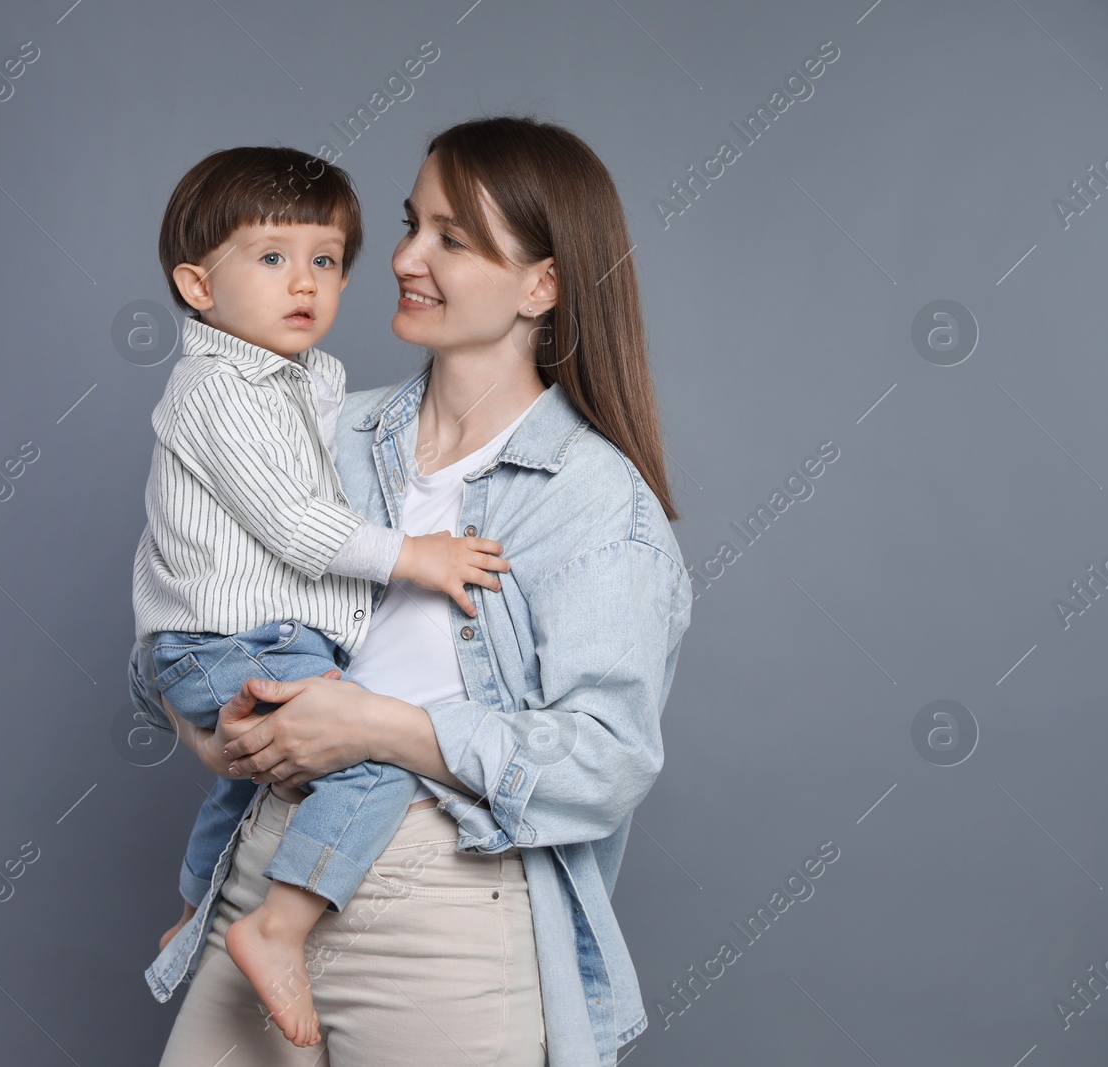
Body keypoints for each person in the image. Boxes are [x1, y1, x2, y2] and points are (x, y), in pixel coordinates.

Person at [135, 114, 693, 1066]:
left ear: (542, 285)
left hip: (446, 913)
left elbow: (608, 758)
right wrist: (217, 734)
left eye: (452, 238)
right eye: (410, 223)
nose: (402, 258)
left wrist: (377, 728)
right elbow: (190, 598)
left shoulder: (596, 502)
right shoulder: (318, 422)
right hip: (266, 875)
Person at [131, 145, 514, 1046]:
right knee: (373, 758)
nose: (304, 282)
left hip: (242, 636)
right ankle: (278, 927)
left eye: (326, 259)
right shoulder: (218, 388)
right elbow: (297, 523)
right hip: (228, 637)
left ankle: (199, 913)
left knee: (251, 786)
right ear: (197, 286)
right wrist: (418, 557)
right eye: (270, 259)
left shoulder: (317, 380)